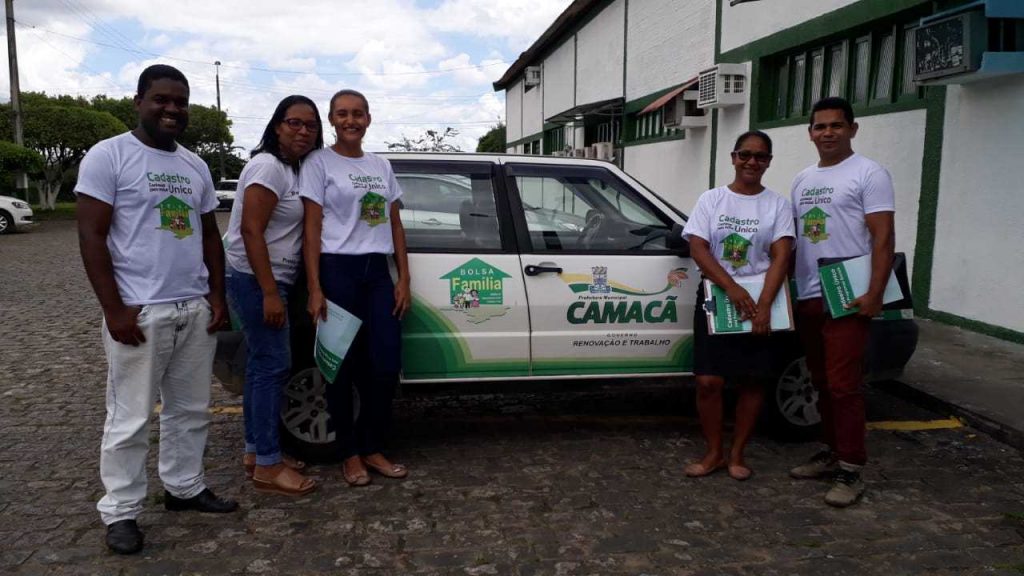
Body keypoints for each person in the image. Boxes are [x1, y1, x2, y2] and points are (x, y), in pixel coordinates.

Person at [76, 64, 238, 556]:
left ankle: (184, 487)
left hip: (192, 306)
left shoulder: (195, 166)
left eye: (180, 102)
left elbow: (210, 235)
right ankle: (121, 510)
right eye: (161, 99)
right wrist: (115, 310)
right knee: (129, 418)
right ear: (139, 101)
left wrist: (216, 296)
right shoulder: (109, 157)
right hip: (141, 312)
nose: (171, 109)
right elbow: (91, 237)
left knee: (190, 410)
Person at [299, 89, 411, 486]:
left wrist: (404, 279)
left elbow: (395, 224)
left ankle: (373, 446)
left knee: (384, 365)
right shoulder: (318, 162)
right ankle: (349, 453)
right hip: (337, 271)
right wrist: (315, 287)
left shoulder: (381, 165)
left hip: (377, 274)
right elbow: (311, 229)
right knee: (340, 369)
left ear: (368, 118)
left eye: (358, 114)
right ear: (332, 120)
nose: (351, 120)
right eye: (342, 114)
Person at [788, 97, 895, 508]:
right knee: (820, 382)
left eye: (836, 125)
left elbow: (883, 237)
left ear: (853, 128)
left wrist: (874, 293)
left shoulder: (869, 174)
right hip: (811, 292)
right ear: (810, 132)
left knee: (844, 385)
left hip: (848, 294)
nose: (827, 133)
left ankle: (852, 468)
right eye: (820, 126)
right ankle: (830, 453)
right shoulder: (802, 179)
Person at [223, 95, 324, 496]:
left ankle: (257, 453)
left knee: (260, 368)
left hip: (267, 279)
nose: (302, 131)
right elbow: (251, 231)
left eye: (310, 125)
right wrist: (269, 293)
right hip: (256, 279)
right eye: (294, 123)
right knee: (271, 367)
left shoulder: (293, 169)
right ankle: (268, 465)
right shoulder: (268, 166)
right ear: (277, 125)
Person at [681, 130, 794, 481]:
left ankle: (737, 454)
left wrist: (763, 304)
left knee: (753, 380)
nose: (752, 162)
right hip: (719, 298)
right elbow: (698, 248)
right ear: (733, 157)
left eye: (760, 157)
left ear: (769, 162)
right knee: (708, 381)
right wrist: (731, 289)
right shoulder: (712, 200)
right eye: (745, 154)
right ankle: (713, 452)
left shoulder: (777, 205)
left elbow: (781, 255)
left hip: (764, 299)